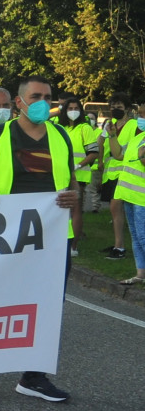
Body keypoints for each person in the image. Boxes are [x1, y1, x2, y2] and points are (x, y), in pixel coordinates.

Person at [0, 75, 77, 404]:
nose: (43, 102)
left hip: (50, 240)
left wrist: (73, 197)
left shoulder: (61, 136)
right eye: (35, 96)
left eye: (48, 97)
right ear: (19, 103)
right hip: (2, 238)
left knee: (46, 308)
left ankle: (33, 377)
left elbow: (73, 185)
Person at [58, 97, 100, 253]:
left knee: (75, 210)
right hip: (61, 175)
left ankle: (73, 246)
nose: (73, 111)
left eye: (76, 108)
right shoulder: (60, 128)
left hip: (79, 175)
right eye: (70, 108)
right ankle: (61, 241)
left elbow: (93, 153)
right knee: (62, 210)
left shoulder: (85, 128)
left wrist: (78, 165)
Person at [111, 95, 145, 286]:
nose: (140, 118)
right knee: (135, 236)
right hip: (129, 196)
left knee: (143, 236)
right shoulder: (139, 137)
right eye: (139, 113)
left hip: (142, 198)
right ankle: (140, 273)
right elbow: (119, 155)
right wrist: (112, 135)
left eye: (143, 114)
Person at [100, 92, 134, 259]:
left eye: (119, 107)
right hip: (112, 172)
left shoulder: (134, 125)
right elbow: (103, 143)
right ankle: (118, 244)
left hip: (128, 172)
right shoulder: (110, 124)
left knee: (116, 207)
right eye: (113, 107)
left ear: (127, 108)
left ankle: (120, 247)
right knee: (116, 210)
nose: (115, 110)